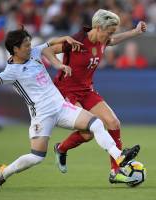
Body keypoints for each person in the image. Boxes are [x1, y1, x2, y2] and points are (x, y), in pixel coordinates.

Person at [0, 27, 140, 189]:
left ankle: (119, 157)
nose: (30, 47)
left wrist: (65, 40)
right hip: (42, 116)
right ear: (15, 49)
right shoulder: (11, 71)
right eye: (26, 45)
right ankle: (4, 172)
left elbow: (50, 44)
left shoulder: (33, 52)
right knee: (36, 157)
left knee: (96, 124)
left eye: (30, 43)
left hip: (62, 107)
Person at [52, 9, 147, 183]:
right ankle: (61, 148)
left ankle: (115, 172)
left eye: (113, 32)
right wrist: (59, 65)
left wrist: (135, 31)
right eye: (108, 32)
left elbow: (113, 41)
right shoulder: (77, 41)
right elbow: (48, 50)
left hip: (87, 90)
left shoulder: (104, 39)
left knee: (113, 123)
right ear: (97, 27)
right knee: (88, 133)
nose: (110, 36)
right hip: (67, 91)